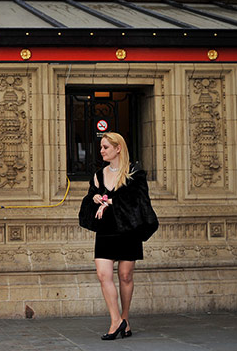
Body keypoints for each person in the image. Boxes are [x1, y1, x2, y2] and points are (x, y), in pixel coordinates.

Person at [78, 132, 158, 340]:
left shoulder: (134, 174)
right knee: (103, 274)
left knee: (125, 276)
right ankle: (116, 321)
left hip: (127, 231)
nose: (101, 150)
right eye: (101, 147)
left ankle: (125, 319)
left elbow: (140, 203)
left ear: (118, 148)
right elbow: (88, 203)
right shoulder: (98, 175)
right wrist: (94, 197)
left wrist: (112, 202)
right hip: (106, 231)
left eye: (105, 147)